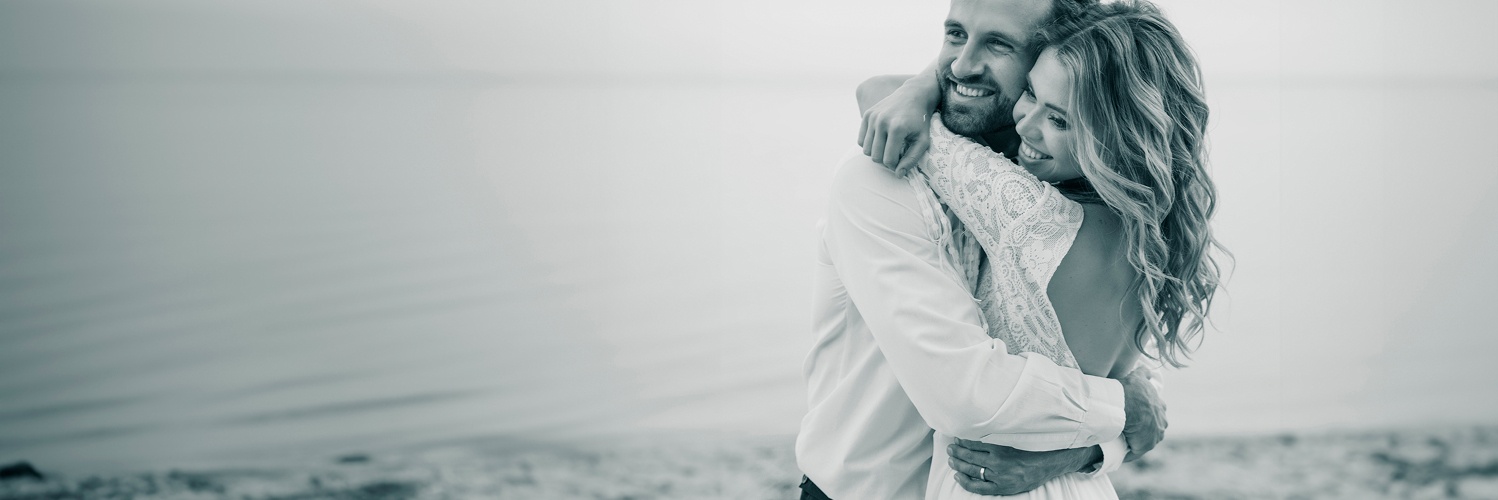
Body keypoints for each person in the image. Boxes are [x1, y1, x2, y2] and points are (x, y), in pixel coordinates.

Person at [795, 0, 1178, 499]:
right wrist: (1119, 410)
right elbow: (968, 394)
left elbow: (1121, 365)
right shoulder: (876, 179)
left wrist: (1084, 449)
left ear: (1052, 57)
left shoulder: (1050, 177)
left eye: (998, 43)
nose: (961, 65)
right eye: (955, 34)